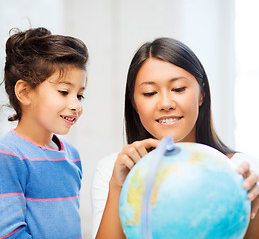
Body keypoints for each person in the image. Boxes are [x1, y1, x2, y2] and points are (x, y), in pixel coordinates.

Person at [91, 37, 259, 238]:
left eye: (178, 89)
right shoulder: (112, 170)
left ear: (201, 94)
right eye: (149, 92)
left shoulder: (240, 170)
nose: (165, 103)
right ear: (134, 103)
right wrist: (118, 186)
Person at [0, 27, 88, 238]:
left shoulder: (72, 155)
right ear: (25, 92)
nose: (76, 105)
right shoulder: (4, 155)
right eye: (64, 92)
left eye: (80, 95)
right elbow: (9, 234)